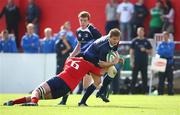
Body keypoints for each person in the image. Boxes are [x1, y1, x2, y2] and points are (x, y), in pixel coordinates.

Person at [3, 57, 105, 106]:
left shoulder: (70, 59)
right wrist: (111, 63)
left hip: (60, 79)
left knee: (37, 91)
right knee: (38, 96)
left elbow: (69, 67)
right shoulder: (89, 65)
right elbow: (100, 72)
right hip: (66, 90)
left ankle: (33, 103)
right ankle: (13, 102)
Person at [59, 11, 102, 105]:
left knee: (86, 85)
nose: (82, 22)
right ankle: (64, 101)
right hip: (81, 60)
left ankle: (100, 90)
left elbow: (101, 41)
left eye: (85, 20)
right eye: (81, 20)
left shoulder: (92, 30)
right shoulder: (78, 31)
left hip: (90, 61)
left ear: (88, 21)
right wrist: (72, 55)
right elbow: (79, 45)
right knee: (70, 78)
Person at [78, 28, 121, 106]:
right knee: (93, 83)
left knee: (112, 71)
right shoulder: (104, 47)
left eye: (117, 39)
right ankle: (83, 101)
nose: (116, 41)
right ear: (109, 37)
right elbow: (101, 64)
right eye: (114, 39)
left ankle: (100, 92)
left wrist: (118, 57)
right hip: (89, 60)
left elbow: (114, 51)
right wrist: (113, 62)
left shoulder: (115, 42)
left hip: (96, 58)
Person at [130, 27, 152, 94]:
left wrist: (145, 50)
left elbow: (151, 51)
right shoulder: (134, 41)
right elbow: (131, 52)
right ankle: (132, 92)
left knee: (144, 78)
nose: (140, 33)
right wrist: (131, 61)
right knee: (134, 78)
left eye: (141, 31)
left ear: (143, 32)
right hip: (136, 62)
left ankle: (144, 92)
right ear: (137, 32)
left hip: (144, 62)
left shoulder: (146, 41)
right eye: (139, 31)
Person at [156, 31, 175, 95]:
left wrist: (164, 51)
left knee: (170, 78)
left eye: (165, 35)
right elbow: (159, 52)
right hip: (161, 61)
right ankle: (160, 92)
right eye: (163, 35)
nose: (164, 37)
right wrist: (165, 52)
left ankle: (170, 92)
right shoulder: (160, 44)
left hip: (169, 62)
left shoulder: (171, 43)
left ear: (168, 36)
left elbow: (169, 52)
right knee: (161, 78)